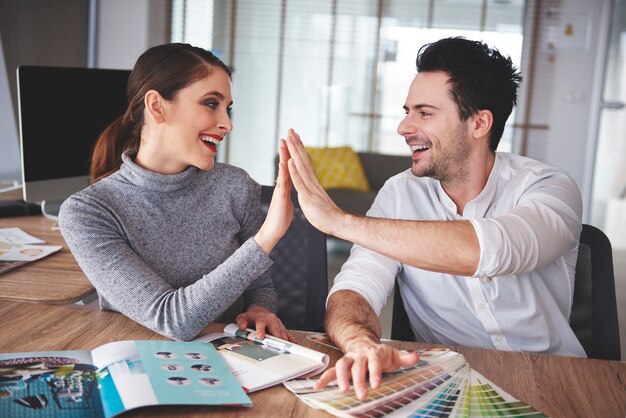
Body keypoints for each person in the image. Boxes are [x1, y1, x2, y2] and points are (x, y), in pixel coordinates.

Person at [283, 36, 586, 399]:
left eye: (424, 113)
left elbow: (491, 250)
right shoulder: (399, 194)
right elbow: (354, 290)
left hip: (556, 380)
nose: (404, 127)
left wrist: (337, 221)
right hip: (451, 384)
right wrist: (362, 344)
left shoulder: (549, 188)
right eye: (407, 111)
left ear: (479, 124)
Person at [58, 43, 295, 342]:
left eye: (228, 108)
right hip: (139, 366)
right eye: (211, 103)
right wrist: (266, 239)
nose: (227, 124)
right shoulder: (88, 212)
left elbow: (258, 285)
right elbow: (171, 319)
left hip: (231, 362)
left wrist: (260, 309)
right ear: (157, 106)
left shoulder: (235, 186)